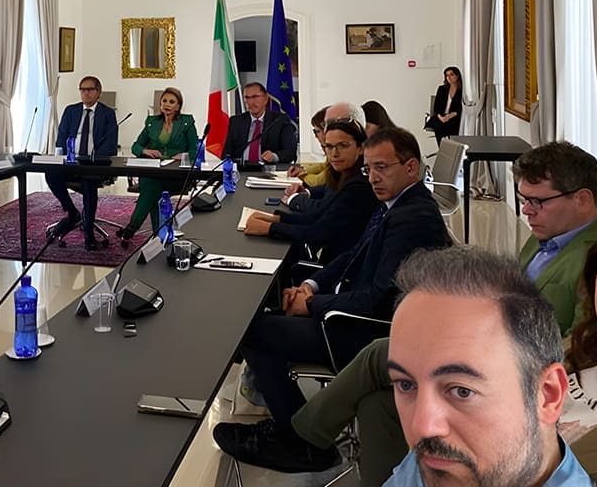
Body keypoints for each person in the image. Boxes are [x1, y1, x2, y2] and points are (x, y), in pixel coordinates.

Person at [286, 238, 597, 487]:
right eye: (406, 385)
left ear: (549, 395)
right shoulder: (587, 346)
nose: (422, 427)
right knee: (375, 401)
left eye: (462, 391)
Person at [212, 127, 450, 470]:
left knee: (252, 332)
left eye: (382, 167)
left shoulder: (414, 218)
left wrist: (311, 304)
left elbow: (377, 300)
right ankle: (296, 428)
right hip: (352, 314)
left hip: (368, 332)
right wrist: (311, 285)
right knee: (263, 321)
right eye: (369, 169)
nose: (373, 178)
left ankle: (302, 443)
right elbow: (353, 255)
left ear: (411, 167)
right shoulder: (395, 204)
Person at [243, 118, 377, 266]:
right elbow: (320, 216)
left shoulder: (359, 186)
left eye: (343, 146)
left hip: (340, 268)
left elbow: (319, 232)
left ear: (360, 148)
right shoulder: (343, 175)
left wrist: (269, 228)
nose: (334, 153)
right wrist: (275, 218)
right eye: (329, 147)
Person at [515, 141, 597, 334]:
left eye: (537, 201)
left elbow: (582, 341)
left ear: (582, 200)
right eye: (524, 199)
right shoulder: (547, 230)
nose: (526, 210)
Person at [116, 87, 199, 242]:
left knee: (152, 188)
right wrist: (145, 151)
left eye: (172, 102)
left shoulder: (187, 122)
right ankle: (158, 235)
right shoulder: (152, 122)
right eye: (164, 101)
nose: (167, 104)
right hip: (153, 172)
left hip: (176, 175)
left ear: (178, 106)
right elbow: (135, 147)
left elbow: (196, 151)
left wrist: (183, 156)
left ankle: (132, 227)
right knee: (153, 186)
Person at [45, 76, 119, 251]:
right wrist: (63, 157)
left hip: (94, 164)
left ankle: (89, 232)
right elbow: (61, 138)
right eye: (82, 89)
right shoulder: (71, 111)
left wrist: (93, 159)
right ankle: (72, 212)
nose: (85, 93)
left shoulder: (107, 113)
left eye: (90, 89)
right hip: (72, 161)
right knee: (51, 173)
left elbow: (110, 144)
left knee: (88, 180)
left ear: (98, 92)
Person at [221, 82, 297, 165]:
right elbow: (226, 153)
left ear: (266, 99)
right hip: (240, 169)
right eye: (247, 97)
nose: (251, 102)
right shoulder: (235, 122)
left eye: (255, 97)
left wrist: (274, 156)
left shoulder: (280, 120)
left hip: (268, 170)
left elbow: (290, 152)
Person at [426, 66, 463, 144]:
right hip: (440, 116)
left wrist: (450, 115)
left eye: (451, 75)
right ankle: (442, 147)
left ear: (457, 76)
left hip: (454, 116)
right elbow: (436, 107)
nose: (449, 77)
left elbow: (462, 107)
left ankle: (452, 146)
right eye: (447, 75)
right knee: (438, 125)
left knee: (453, 125)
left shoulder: (462, 90)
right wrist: (441, 117)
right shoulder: (442, 89)